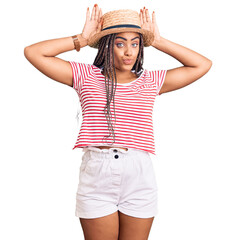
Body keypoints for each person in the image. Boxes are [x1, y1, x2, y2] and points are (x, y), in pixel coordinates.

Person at [24, 4, 212, 240]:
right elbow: (33, 52)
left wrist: (157, 39)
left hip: (139, 172)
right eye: (120, 43)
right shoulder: (85, 76)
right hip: (97, 173)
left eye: (135, 43)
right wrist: (81, 39)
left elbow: (202, 64)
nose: (129, 52)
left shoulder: (151, 81)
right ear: (106, 44)